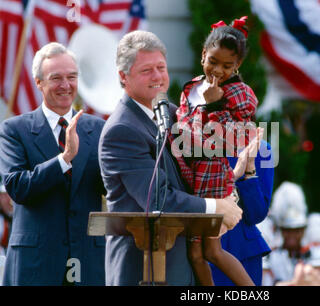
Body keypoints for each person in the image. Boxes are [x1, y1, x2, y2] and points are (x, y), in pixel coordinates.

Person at [98, 30, 242, 286]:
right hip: (143, 270)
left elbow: (202, 165)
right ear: (123, 76)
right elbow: (157, 199)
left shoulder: (173, 113)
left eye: (161, 67)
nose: (157, 76)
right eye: (146, 70)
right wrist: (214, 208)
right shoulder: (121, 130)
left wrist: (226, 194)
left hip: (181, 266)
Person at [0, 42, 106, 285]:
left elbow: (107, 185)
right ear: (39, 83)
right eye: (56, 78)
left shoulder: (97, 128)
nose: (66, 85)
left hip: (87, 260)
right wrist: (64, 158)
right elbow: (18, 187)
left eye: (71, 77)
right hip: (36, 262)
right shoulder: (14, 130)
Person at [174, 16, 260, 286]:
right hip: (187, 176)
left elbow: (231, 139)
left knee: (212, 250)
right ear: (203, 55)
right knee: (195, 254)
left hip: (212, 179)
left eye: (227, 65)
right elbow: (182, 126)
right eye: (213, 61)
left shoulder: (239, 93)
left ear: (238, 65)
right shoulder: (191, 88)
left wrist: (212, 107)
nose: (218, 71)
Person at [210, 136, 274, 286]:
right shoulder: (191, 142)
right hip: (199, 249)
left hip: (243, 252)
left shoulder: (261, 149)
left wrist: (250, 170)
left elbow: (256, 214)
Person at [262, 181, 308, 285]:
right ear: (281, 230)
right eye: (287, 230)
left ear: (303, 230)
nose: (292, 235)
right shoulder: (272, 257)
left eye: (297, 230)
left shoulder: (311, 254)